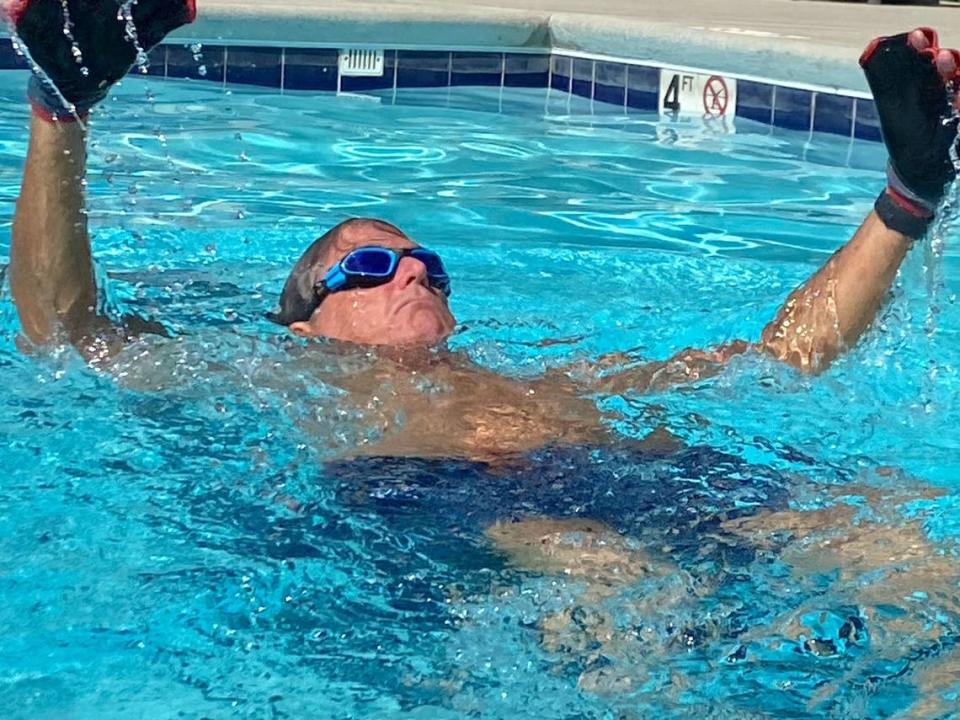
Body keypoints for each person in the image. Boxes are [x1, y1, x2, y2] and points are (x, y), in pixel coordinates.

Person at [7, 0, 960, 710]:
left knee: (901, 546)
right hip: (449, 499)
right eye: (370, 265)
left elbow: (782, 356)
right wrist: (59, 120)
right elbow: (66, 333)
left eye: (430, 266)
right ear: (302, 320)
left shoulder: (558, 379)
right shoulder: (276, 375)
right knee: (614, 580)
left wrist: (906, 200)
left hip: (630, 473)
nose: (412, 274)